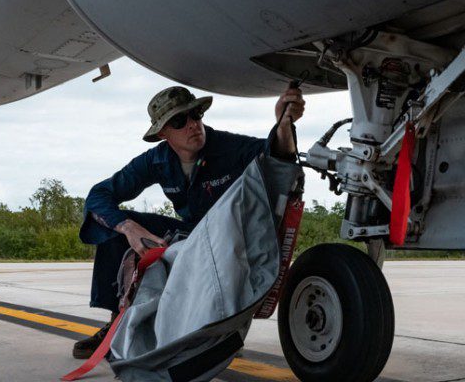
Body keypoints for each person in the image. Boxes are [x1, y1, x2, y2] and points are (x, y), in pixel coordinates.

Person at [72, 85, 304, 359]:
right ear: (162, 133)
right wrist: (129, 228)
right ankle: (117, 326)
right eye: (180, 121)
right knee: (111, 226)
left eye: (196, 115)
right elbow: (99, 195)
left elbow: (277, 157)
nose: (193, 125)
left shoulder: (227, 147)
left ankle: (219, 331)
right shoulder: (156, 160)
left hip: (229, 239)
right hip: (191, 234)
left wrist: (284, 124)